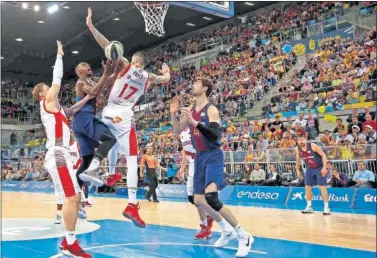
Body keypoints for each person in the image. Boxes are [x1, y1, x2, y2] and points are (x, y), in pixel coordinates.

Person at [86, 7, 171, 228]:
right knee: (132, 158)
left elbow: (106, 45)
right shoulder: (147, 77)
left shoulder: (125, 66)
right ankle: (132, 204)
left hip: (108, 111)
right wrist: (168, 74)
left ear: (133, 59)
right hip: (124, 115)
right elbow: (163, 79)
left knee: (111, 143)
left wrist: (91, 26)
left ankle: (105, 170)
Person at [170, 78, 252, 257]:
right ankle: (226, 229)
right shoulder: (190, 110)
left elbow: (215, 135)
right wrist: (173, 114)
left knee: (211, 197)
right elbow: (177, 130)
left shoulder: (212, 110)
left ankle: (242, 235)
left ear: (205, 88)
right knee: (198, 200)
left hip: (213, 155)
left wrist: (195, 123)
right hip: (199, 157)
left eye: (196, 83)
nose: (193, 85)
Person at [32, 41, 92, 257]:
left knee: (74, 197)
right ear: (41, 95)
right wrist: (59, 56)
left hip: (62, 153)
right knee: (72, 197)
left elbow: (72, 110)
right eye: (46, 89)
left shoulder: (55, 108)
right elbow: (57, 80)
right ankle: (70, 242)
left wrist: (87, 98)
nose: (50, 90)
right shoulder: (47, 101)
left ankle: (69, 242)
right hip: (58, 153)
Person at [178, 127, 214, 240]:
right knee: (191, 198)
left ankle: (205, 226)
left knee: (199, 198)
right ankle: (209, 216)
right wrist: (182, 168)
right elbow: (185, 152)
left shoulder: (196, 128)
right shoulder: (182, 132)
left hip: (201, 164)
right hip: (192, 166)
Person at [55, 131, 87, 224]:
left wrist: (78, 166)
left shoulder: (78, 145)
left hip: (77, 171)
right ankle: (59, 215)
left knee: (80, 194)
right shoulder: (62, 147)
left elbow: (84, 157)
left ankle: (83, 212)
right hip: (66, 172)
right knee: (60, 193)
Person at [295, 133, 331, 215]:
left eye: (302, 139)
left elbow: (323, 155)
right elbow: (297, 160)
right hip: (309, 169)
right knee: (307, 187)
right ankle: (309, 207)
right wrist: (297, 170)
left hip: (319, 167)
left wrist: (324, 168)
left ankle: (326, 208)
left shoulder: (312, 146)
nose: (300, 141)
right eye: (299, 140)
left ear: (305, 139)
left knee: (322, 187)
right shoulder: (297, 149)